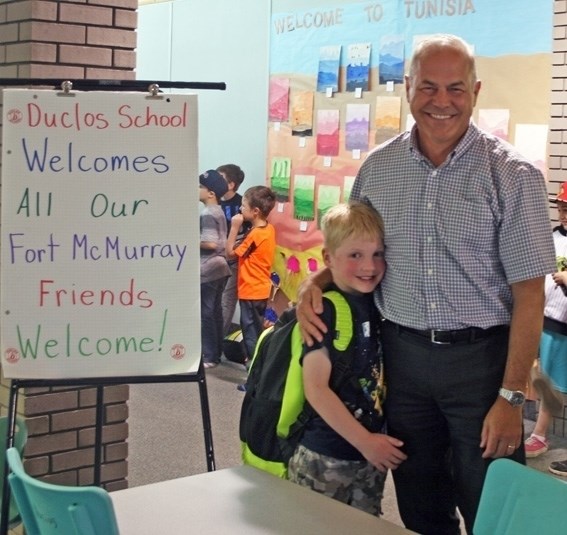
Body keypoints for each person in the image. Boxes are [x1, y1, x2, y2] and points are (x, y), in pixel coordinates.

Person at [296, 34, 556, 535]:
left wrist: (512, 397)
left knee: (493, 506)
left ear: (475, 90)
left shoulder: (514, 174)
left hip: (483, 366)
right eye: (428, 87)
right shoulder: (377, 169)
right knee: (420, 503)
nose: (442, 101)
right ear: (409, 87)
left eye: (455, 88)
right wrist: (318, 278)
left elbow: (529, 293)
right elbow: (359, 252)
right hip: (402, 362)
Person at [287, 202, 407, 516]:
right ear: (328, 258)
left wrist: (369, 445)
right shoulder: (325, 309)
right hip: (324, 457)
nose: (369, 266)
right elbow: (316, 388)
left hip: (367, 459)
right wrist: (365, 440)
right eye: (355, 255)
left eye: (377, 254)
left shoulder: (377, 303)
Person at [524, 182, 567, 463]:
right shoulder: (553, 237)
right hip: (546, 318)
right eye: (562, 208)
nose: (563, 214)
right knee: (544, 379)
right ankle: (538, 433)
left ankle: (539, 434)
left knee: (556, 382)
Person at [226, 185, 277, 366]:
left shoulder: (255, 234)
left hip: (250, 291)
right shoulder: (269, 229)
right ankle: (257, 371)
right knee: (256, 330)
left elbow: (230, 253)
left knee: (250, 334)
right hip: (261, 289)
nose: (240, 209)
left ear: (255, 211)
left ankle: (252, 375)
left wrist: (234, 227)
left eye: (243, 206)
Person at [199, 169, 231, 369]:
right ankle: (216, 352)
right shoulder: (218, 211)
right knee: (215, 312)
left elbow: (210, 243)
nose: (197, 190)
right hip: (221, 268)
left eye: (201, 187)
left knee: (207, 313)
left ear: (211, 193)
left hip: (209, 268)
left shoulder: (208, 213)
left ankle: (210, 356)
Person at [217, 163, 251, 336]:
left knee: (227, 299)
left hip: (234, 260)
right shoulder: (214, 203)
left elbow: (250, 233)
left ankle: (218, 339)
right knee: (214, 299)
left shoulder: (242, 205)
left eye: (219, 178)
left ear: (231, 184)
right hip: (216, 259)